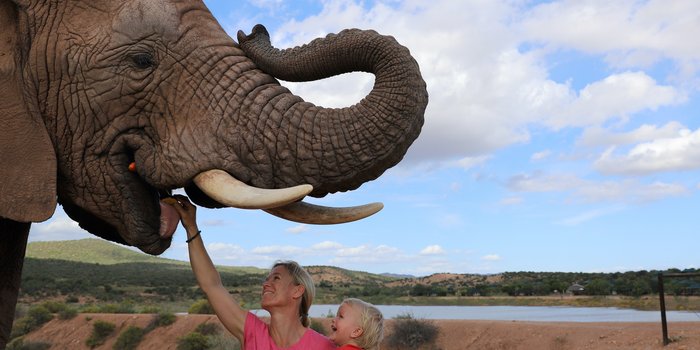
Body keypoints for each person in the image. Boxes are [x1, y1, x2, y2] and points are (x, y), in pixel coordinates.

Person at [164, 195, 335, 349]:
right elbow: (212, 286)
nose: (266, 284)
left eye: (276, 278)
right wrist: (191, 227)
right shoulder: (253, 332)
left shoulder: (324, 346)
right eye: (267, 279)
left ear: (297, 290)